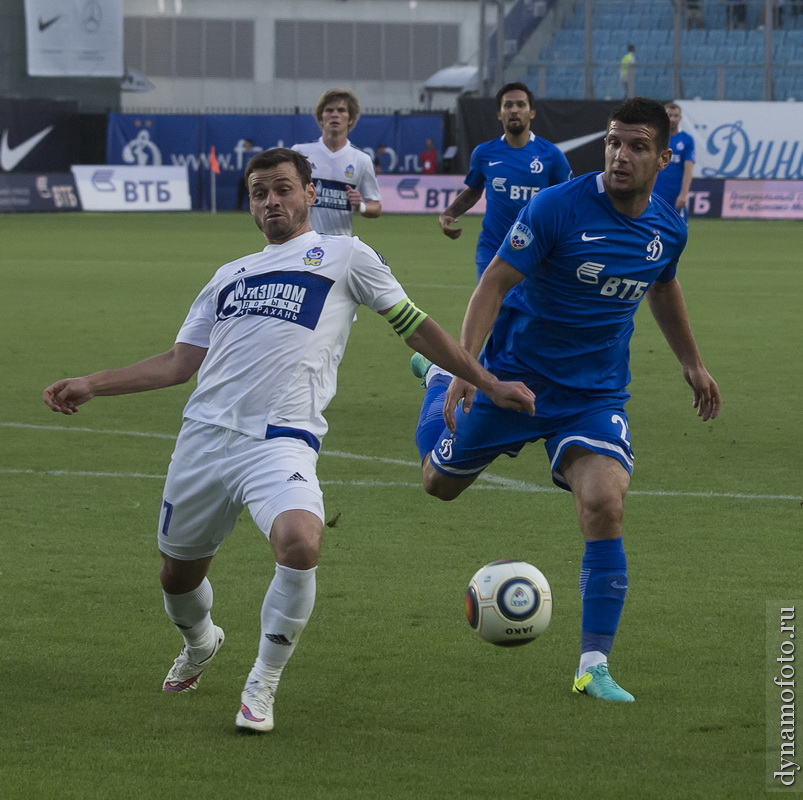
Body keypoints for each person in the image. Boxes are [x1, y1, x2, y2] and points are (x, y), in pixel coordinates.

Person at [43, 148, 534, 734]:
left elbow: (415, 324)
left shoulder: (346, 255)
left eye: (282, 189)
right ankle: (201, 642)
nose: (271, 201)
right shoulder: (228, 276)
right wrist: (92, 384)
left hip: (280, 441)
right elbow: (178, 363)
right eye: (259, 193)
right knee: (176, 577)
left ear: (308, 194)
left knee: (301, 540)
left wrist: (482, 380)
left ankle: (262, 684)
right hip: (203, 439)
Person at [410, 97, 721, 703]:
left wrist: (692, 362)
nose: (619, 155)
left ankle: (593, 666)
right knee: (438, 484)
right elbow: (493, 282)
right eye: (612, 142)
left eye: (635, 146)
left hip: (593, 394)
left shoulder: (667, 226)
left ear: (663, 156)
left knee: (605, 502)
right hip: (513, 377)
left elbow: (663, 284)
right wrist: (466, 370)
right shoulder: (558, 206)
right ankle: (435, 382)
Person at [438, 82, 573, 280]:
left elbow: (568, 199)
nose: (514, 110)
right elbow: (474, 190)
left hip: (536, 250)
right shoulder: (484, 153)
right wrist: (449, 213)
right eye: (508, 106)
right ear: (500, 114)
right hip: (493, 249)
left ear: (532, 112)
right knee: (492, 310)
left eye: (520, 105)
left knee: (530, 311)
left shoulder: (551, 155)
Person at [292, 88, 381, 235]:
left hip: (340, 246)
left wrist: (361, 206)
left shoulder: (361, 160)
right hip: (304, 241)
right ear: (321, 118)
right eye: (329, 110)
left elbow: (376, 206)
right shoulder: (300, 153)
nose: (335, 115)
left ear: (350, 118)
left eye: (341, 110)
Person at [653, 103, 695, 220]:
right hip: (654, 195)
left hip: (675, 197)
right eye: (669, 115)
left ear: (680, 118)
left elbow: (688, 169)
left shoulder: (687, 140)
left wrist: (683, 194)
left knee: (678, 234)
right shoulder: (655, 138)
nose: (672, 119)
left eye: (675, 115)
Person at [236, 138, 258, 210]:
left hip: (250, 177)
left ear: (249, 143)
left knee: (250, 194)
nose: (244, 144)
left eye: (246, 143)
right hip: (243, 177)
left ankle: (251, 209)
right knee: (241, 193)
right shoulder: (243, 154)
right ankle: (239, 209)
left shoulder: (254, 154)